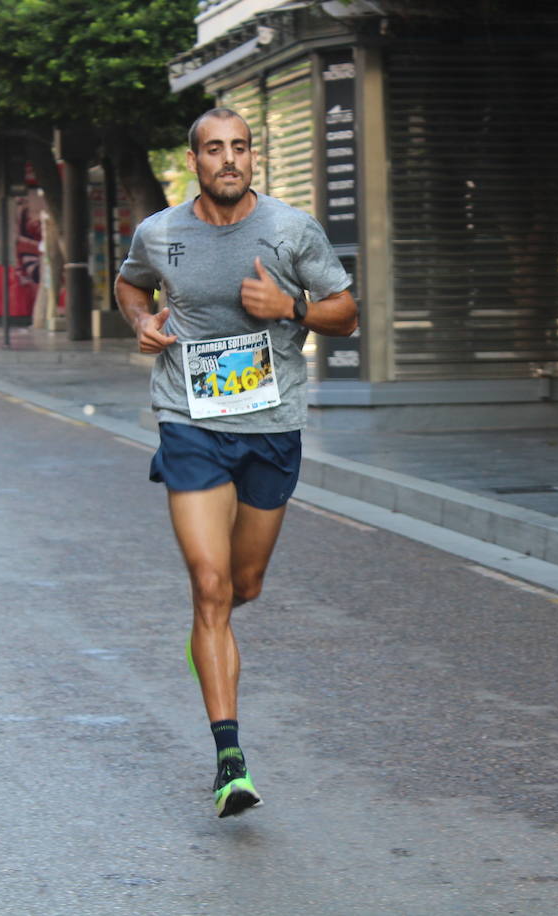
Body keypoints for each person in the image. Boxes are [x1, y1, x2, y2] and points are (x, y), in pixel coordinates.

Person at [115, 108, 358, 818]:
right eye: (215, 149)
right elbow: (131, 284)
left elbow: (345, 311)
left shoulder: (290, 231)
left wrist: (291, 307)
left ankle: (207, 637)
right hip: (190, 422)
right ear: (193, 160)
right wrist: (143, 323)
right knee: (210, 583)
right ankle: (230, 760)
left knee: (243, 584)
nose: (229, 160)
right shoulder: (159, 234)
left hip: (271, 427)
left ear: (253, 157)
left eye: (240, 149)